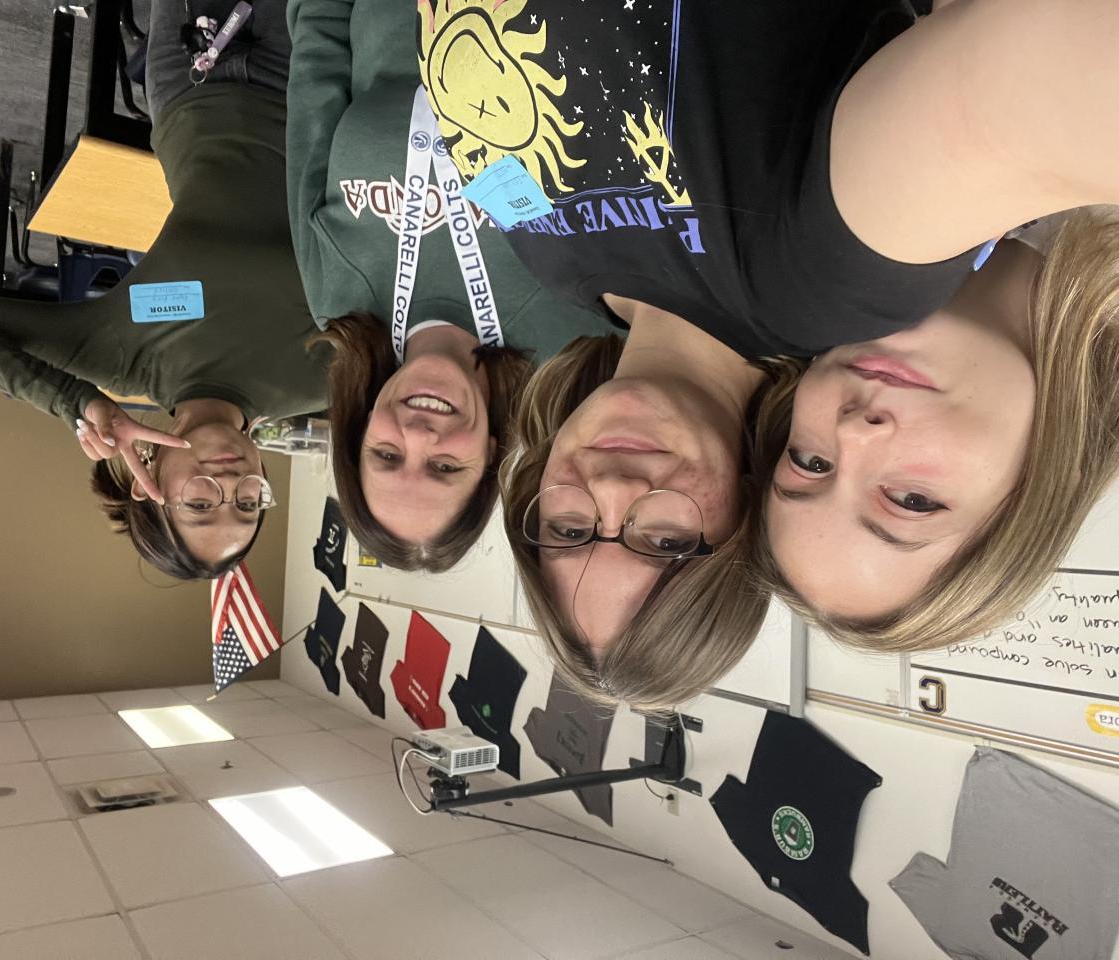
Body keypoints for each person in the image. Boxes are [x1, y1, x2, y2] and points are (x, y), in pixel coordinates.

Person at [414, 0, 1119, 706]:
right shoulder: (824, 286)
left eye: (569, 529)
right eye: (664, 541)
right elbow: (1018, 87)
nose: (614, 491)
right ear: (743, 512)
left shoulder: (539, 260)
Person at [0, 0, 327, 580]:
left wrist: (76, 402)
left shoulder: (122, 360)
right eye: (248, 504)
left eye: (201, 505)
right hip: (305, 84)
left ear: (150, 483)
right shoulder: (316, 380)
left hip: (190, 74)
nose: (228, 485)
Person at [286, 0, 617, 572]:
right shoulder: (575, 330)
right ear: (489, 457)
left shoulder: (337, 303)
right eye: (444, 468)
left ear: (360, 431)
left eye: (387, 455)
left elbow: (316, 77)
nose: (419, 435)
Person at [753, 209, 1119, 652]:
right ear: (1044, 487)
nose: (852, 433)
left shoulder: (817, 220)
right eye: (912, 501)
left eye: (812, 463)